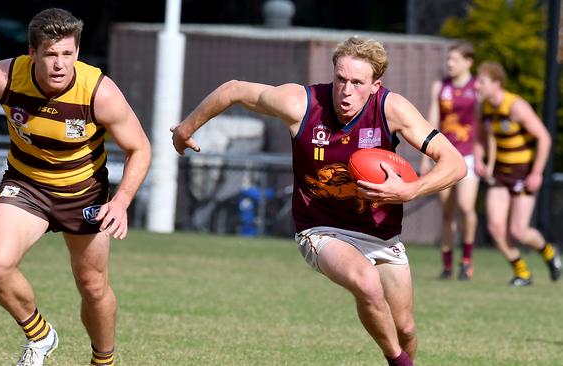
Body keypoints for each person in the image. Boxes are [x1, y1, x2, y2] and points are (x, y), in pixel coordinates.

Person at [171, 36, 466, 366]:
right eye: (341, 79)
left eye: (357, 82)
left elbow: (455, 163)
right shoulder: (303, 103)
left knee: (406, 329)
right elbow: (234, 89)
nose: (346, 90)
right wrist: (186, 128)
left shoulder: (390, 108)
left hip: (381, 234)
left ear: (375, 85)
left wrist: (410, 190)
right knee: (366, 284)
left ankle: (400, 357)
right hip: (322, 229)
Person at [0, 8, 151, 366]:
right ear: (32, 53)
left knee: (93, 286)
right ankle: (41, 335)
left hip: (83, 195)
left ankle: (103, 361)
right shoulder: (6, 77)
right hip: (26, 185)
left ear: (77, 52)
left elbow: (140, 148)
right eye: (51, 54)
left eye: (67, 53)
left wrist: (121, 201)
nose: (60, 64)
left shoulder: (99, 92)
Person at [474, 61, 561, 287]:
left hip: (523, 173)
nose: (477, 86)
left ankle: (549, 252)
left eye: (481, 82)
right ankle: (522, 272)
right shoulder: (484, 107)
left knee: (518, 231)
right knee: (495, 226)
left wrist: (537, 173)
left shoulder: (516, 106)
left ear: (496, 83)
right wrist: (480, 159)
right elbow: (481, 139)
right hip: (501, 173)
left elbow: (544, 137)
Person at [421, 41, 479, 281]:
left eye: (454, 59)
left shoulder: (478, 87)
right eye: (448, 59)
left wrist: (483, 153)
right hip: (444, 156)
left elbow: (484, 125)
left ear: (468, 62)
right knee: (447, 212)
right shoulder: (440, 87)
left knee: (466, 207)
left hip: (468, 156)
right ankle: (447, 265)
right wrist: (427, 157)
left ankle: (466, 261)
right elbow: (431, 122)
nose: (449, 64)